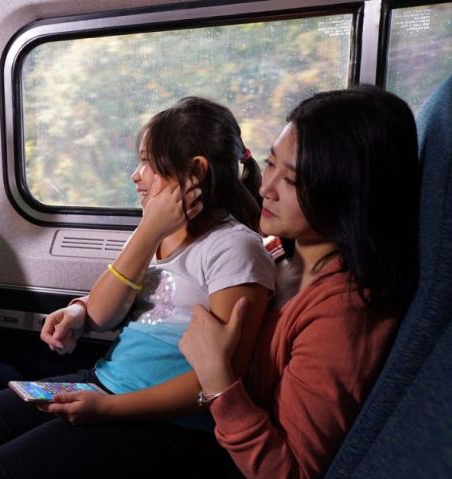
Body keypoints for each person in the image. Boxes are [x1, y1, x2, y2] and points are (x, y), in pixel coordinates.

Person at [0, 97, 276, 477]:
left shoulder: (235, 248)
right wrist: (81, 307)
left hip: (166, 422)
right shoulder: (154, 234)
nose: (136, 176)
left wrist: (107, 409)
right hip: (102, 382)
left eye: (148, 164)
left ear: (195, 171)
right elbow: (103, 314)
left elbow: (219, 385)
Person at [178, 86, 420, 477]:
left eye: (291, 181)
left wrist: (217, 377)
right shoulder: (275, 252)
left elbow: (292, 472)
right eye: (271, 164)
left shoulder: (344, 312)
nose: (264, 188)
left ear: (345, 192)